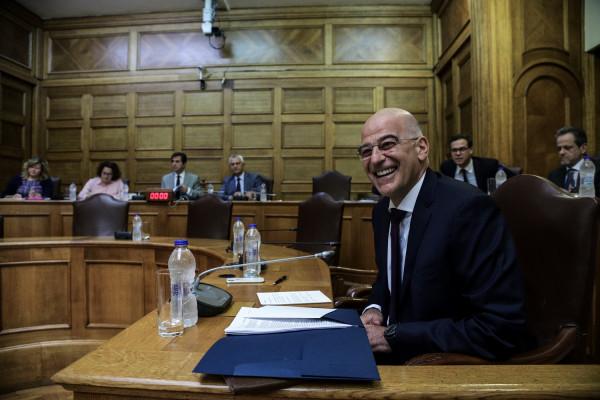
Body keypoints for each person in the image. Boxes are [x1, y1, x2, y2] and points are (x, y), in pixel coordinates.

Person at [358, 108, 528, 364]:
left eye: (388, 144)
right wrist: (375, 308)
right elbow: (387, 278)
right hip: (390, 355)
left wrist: (393, 336)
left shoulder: (468, 209)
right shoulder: (382, 211)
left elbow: (498, 327)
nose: (375, 159)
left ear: (421, 148)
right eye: (366, 151)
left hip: (442, 366)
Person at [439, 134, 513, 192]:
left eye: (462, 149)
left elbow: (513, 179)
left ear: (471, 150)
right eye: (454, 150)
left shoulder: (488, 165)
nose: (458, 153)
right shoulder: (446, 167)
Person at [548, 126, 600, 196]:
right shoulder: (553, 175)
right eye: (559, 149)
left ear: (583, 148)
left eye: (567, 148)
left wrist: (573, 198)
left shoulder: (597, 170)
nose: (561, 152)